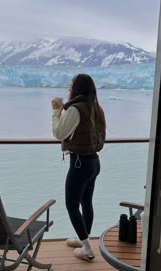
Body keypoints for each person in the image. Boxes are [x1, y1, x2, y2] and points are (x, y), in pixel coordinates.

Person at [51, 74, 106, 261]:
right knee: (86, 202)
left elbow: (59, 133)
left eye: (71, 85)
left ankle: (87, 250)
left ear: (77, 89)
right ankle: (85, 239)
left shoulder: (75, 109)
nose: (68, 89)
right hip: (93, 162)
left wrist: (57, 110)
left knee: (71, 206)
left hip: (79, 164)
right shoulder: (96, 108)